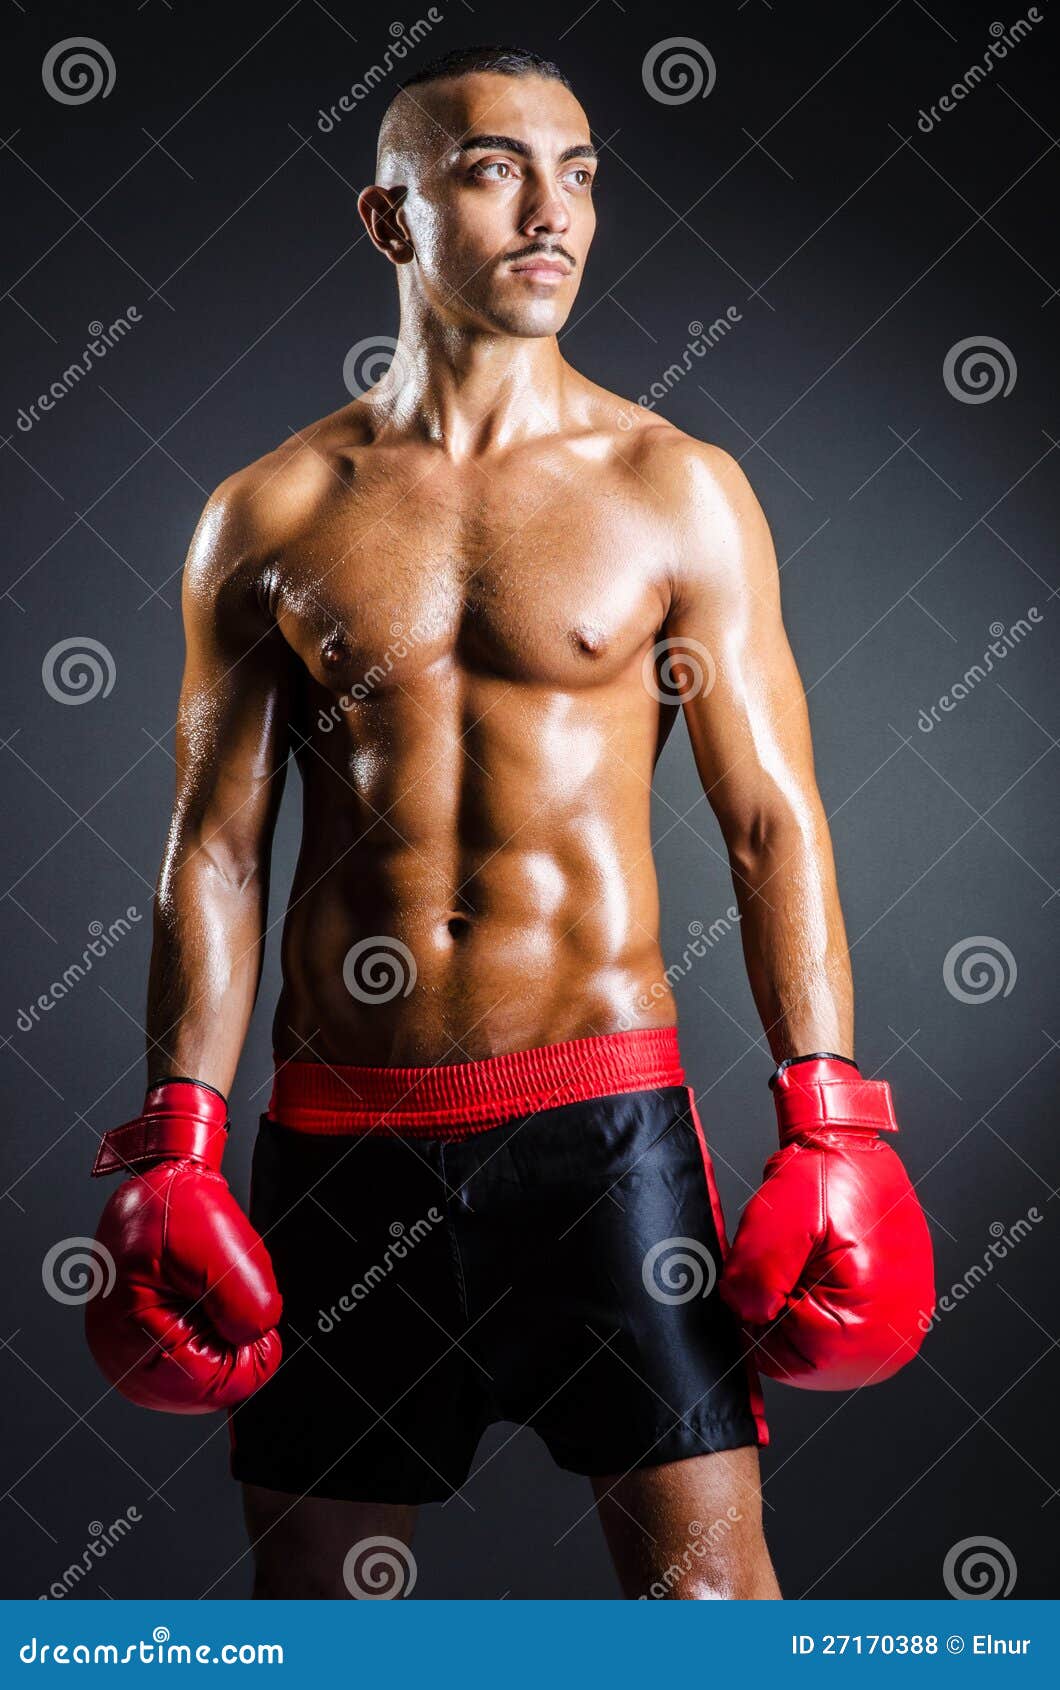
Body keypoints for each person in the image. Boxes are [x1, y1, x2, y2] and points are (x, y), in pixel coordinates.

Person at [84, 44, 934, 1600]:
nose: (552, 211)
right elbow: (214, 846)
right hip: (343, 1143)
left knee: (711, 1616)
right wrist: (182, 1145)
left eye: (582, 173)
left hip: (601, 1131)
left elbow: (770, 820)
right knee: (329, 1623)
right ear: (390, 218)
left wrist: (832, 1120)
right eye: (492, 169)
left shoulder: (675, 488)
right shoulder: (270, 512)